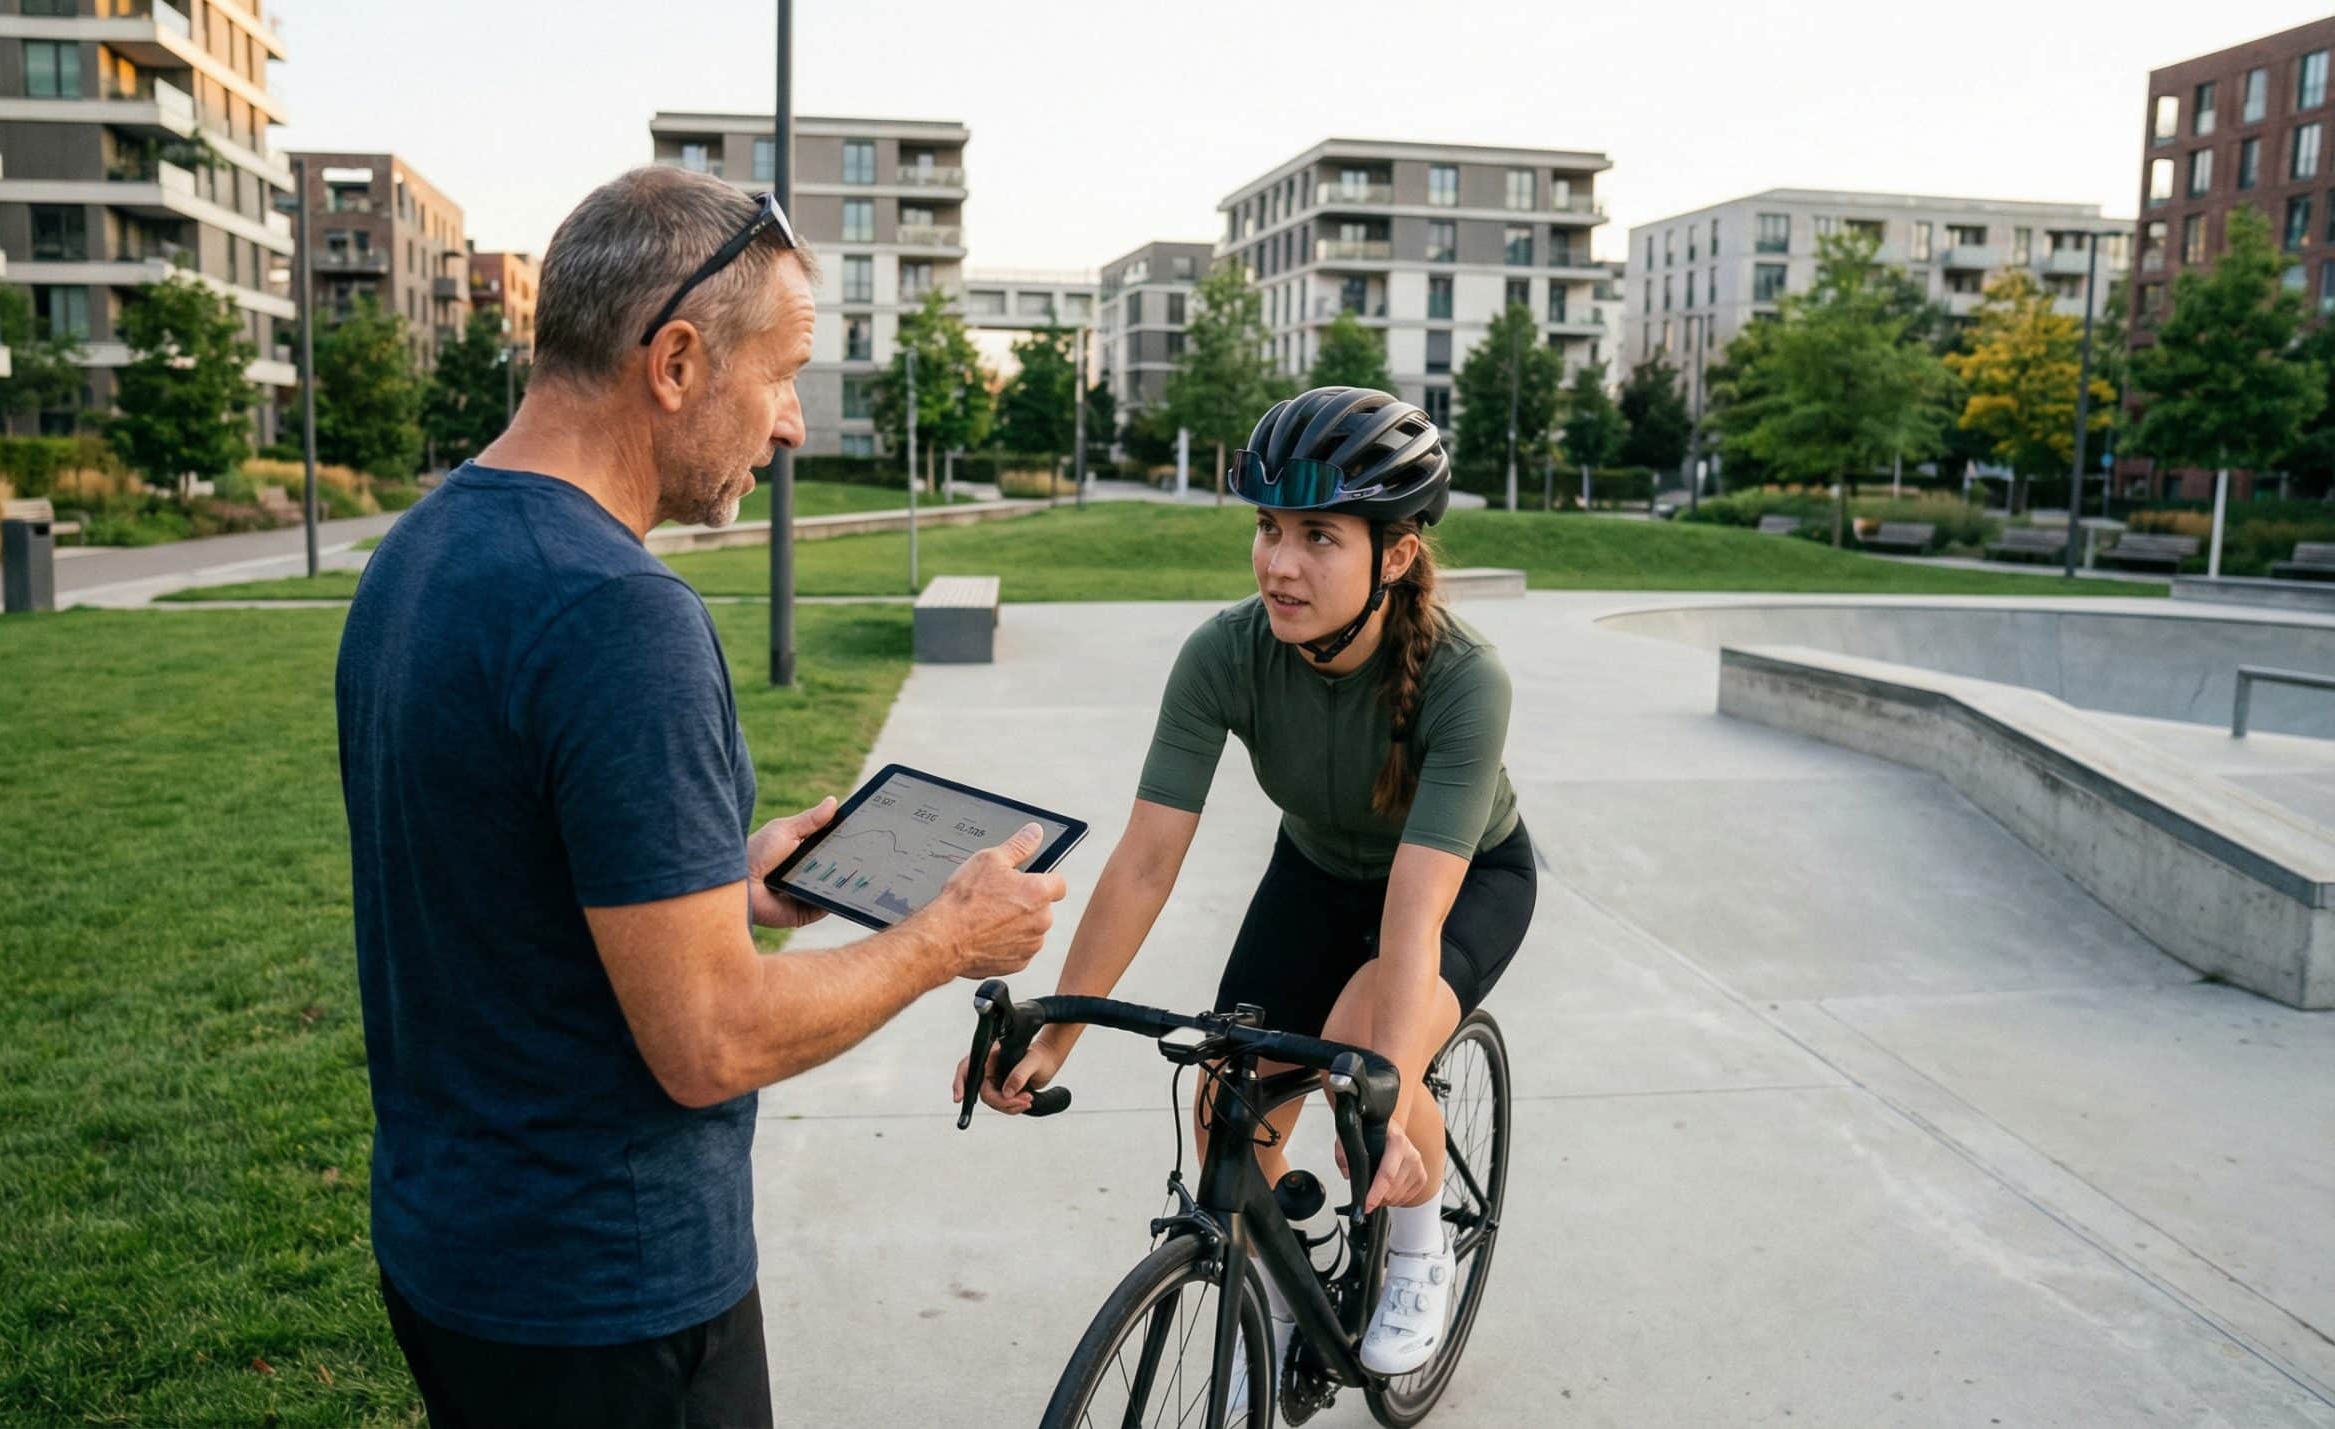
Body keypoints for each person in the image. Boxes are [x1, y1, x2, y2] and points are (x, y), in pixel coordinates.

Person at [336, 165, 1065, 1426]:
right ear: (673, 364)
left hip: (449, 1250)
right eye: (780, 376)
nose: (790, 424)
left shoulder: (425, 547)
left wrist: (730, 883)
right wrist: (945, 939)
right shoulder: (622, 616)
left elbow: (494, 885)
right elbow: (711, 1041)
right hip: (605, 1296)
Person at [958, 386, 1535, 1386]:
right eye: (1269, 528)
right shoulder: (1224, 654)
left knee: (1363, 1054)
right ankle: (1273, 1296)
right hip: (1314, 869)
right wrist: (1057, 1034)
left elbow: (1412, 911)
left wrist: (1383, 1109)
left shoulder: (1464, 679)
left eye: (1318, 535)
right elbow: (1144, 860)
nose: (1279, 561)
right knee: (1228, 1094)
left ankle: (1414, 1251)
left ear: (1394, 556)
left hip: (1460, 882)